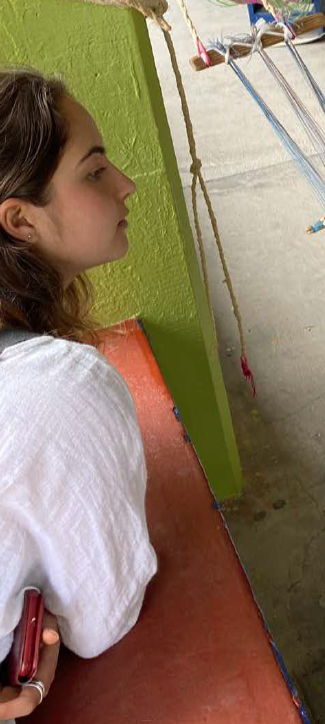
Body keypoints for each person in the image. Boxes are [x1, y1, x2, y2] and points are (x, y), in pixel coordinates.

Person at [0, 69, 157, 721]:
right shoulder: (57, 388)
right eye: (93, 172)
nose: (126, 184)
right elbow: (101, 619)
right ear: (19, 220)